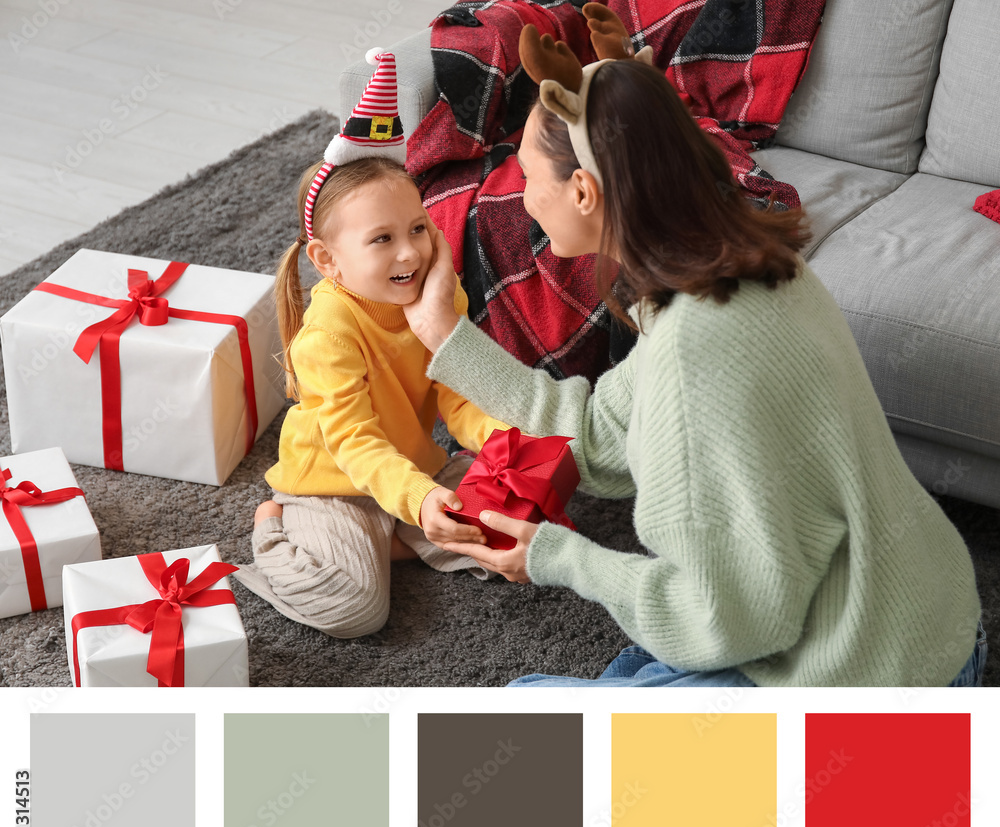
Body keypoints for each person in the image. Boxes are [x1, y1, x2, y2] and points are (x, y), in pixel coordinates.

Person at [399, 13, 987, 686]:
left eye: (529, 175)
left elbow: (726, 619)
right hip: (930, 626)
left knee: (524, 709)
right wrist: (445, 334)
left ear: (584, 192)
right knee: (628, 678)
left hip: (868, 683)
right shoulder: (746, 269)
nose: (522, 196)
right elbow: (600, 436)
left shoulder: (693, 351)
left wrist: (557, 558)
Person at [235, 49, 506, 637]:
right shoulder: (329, 332)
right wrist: (419, 498)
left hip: (408, 467)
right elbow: (355, 444)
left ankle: (392, 539)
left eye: (416, 229)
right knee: (353, 611)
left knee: (512, 535)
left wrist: (500, 441)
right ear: (328, 261)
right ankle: (274, 527)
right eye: (381, 239)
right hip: (335, 484)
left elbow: (456, 394)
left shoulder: (435, 296)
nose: (409, 253)